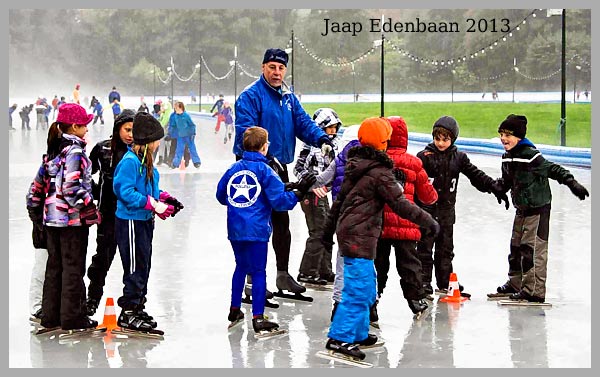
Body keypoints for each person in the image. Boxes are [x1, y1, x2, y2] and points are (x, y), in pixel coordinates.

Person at [321, 117, 439, 361]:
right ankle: (339, 338)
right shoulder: (379, 172)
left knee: (368, 286)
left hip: (355, 233)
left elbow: (339, 201)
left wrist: (327, 232)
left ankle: (359, 332)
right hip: (358, 237)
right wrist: (427, 221)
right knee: (358, 289)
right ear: (383, 143)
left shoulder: (357, 164)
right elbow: (399, 203)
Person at [233, 48, 334, 297]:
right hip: (255, 169)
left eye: (281, 68)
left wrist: (322, 138)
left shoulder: (287, 97)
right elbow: (245, 133)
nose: (277, 73)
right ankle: (250, 280)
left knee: (282, 222)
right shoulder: (250, 96)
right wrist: (264, 159)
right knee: (255, 225)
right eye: (272, 67)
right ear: (263, 67)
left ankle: (282, 274)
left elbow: (303, 122)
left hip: (279, 168)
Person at [216, 126, 315, 334]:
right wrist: (299, 193)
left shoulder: (234, 169)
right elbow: (280, 203)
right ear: (263, 148)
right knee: (259, 271)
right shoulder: (266, 170)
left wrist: (238, 204)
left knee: (241, 267)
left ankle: (235, 309)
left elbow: (221, 195)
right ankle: (258, 317)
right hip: (257, 230)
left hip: (235, 228)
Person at [491, 114, 589, 303]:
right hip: (521, 209)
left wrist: (571, 182)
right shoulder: (507, 157)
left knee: (532, 249)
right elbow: (507, 180)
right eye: (501, 134)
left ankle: (534, 290)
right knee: (516, 248)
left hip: (538, 209)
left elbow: (553, 169)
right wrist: (500, 190)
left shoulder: (530, 155)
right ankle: (516, 283)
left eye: (508, 135)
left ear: (519, 137)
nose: (503, 138)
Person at [25, 103, 101, 331]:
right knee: (73, 269)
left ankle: (51, 316)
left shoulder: (53, 151)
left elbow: (35, 188)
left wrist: (38, 213)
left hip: (51, 221)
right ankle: (72, 319)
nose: (87, 129)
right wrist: (90, 209)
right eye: (84, 125)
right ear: (75, 126)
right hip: (71, 222)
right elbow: (71, 188)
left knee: (55, 268)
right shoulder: (75, 152)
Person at [416, 116, 509, 295]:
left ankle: (445, 282)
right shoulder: (424, 157)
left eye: (445, 139)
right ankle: (423, 283)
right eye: (437, 139)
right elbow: (412, 180)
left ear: (453, 139)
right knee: (424, 250)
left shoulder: (459, 158)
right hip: (426, 213)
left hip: (446, 214)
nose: (441, 143)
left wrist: (494, 187)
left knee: (445, 251)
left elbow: (476, 175)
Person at [113, 112, 183, 333]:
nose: (158, 144)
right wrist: (152, 204)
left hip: (144, 221)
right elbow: (125, 192)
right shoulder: (130, 162)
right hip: (130, 222)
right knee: (134, 266)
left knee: (144, 264)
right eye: (156, 140)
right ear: (147, 141)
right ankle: (128, 312)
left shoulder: (147, 162)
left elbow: (149, 190)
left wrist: (164, 199)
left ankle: (138, 305)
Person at [373, 116, 438, 321]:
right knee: (410, 264)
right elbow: (429, 196)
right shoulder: (414, 163)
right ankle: (416, 300)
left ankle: (371, 302)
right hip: (407, 223)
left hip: (380, 224)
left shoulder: (377, 160)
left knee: (377, 266)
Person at [85, 109, 135, 316]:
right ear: (117, 128)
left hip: (131, 216)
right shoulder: (102, 148)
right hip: (107, 214)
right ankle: (92, 298)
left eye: (134, 130)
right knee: (102, 259)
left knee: (131, 261)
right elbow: (85, 174)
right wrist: (96, 193)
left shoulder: (139, 151)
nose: (131, 134)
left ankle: (132, 305)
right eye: (127, 129)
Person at [293, 108, 341, 285]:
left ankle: (325, 270)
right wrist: (311, 184)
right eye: (329, 128)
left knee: (327, 231)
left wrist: (327, 187)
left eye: (335, 127)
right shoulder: (310, 145)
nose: (333, 131)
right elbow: (298, 168)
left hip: (324, 194)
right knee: (318, 232)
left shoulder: (335, 145)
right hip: (310, 194)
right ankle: (307, 271)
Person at [168, 101, 202, 169]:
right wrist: (169, 134)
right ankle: (175, 163)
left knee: (192, 149)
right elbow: (173, 126)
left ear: (181, 108)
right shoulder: (175, 116)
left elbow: (192, 125)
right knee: (179, 150)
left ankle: (196, 162)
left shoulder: (186, 116)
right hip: (180, 136)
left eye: (176, 108)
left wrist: (193, 133)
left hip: (189, 136)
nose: (175, 110)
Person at [156, 100, 172, 165]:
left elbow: (163, 122)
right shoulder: (163, 114)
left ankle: (168, 158)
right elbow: (160, 120)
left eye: (162, 107)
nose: (161, 108)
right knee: (162, 145)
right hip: (162, 133)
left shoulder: (168, 115)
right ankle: (161, 158)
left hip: (167, 133)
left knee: (168, 145)